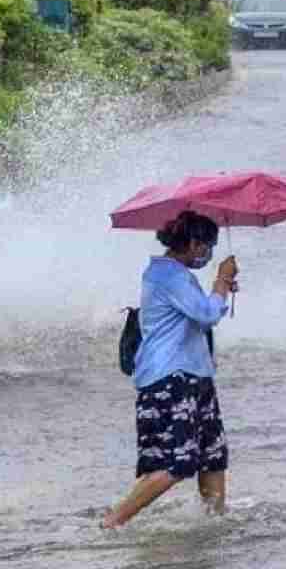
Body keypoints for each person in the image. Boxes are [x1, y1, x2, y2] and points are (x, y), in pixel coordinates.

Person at [101, 210, 240, 529]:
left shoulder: (177, 275)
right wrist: (220, 281)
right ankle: (113, 521)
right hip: (169, 379)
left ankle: (214, 523)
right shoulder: (167, 275)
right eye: (209, 246)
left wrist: (221, 289)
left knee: (212, 455)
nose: (209, 254)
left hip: (195, 376)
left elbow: (200, 312)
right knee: (178, 462)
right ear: (193, 243)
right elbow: (206, 314)